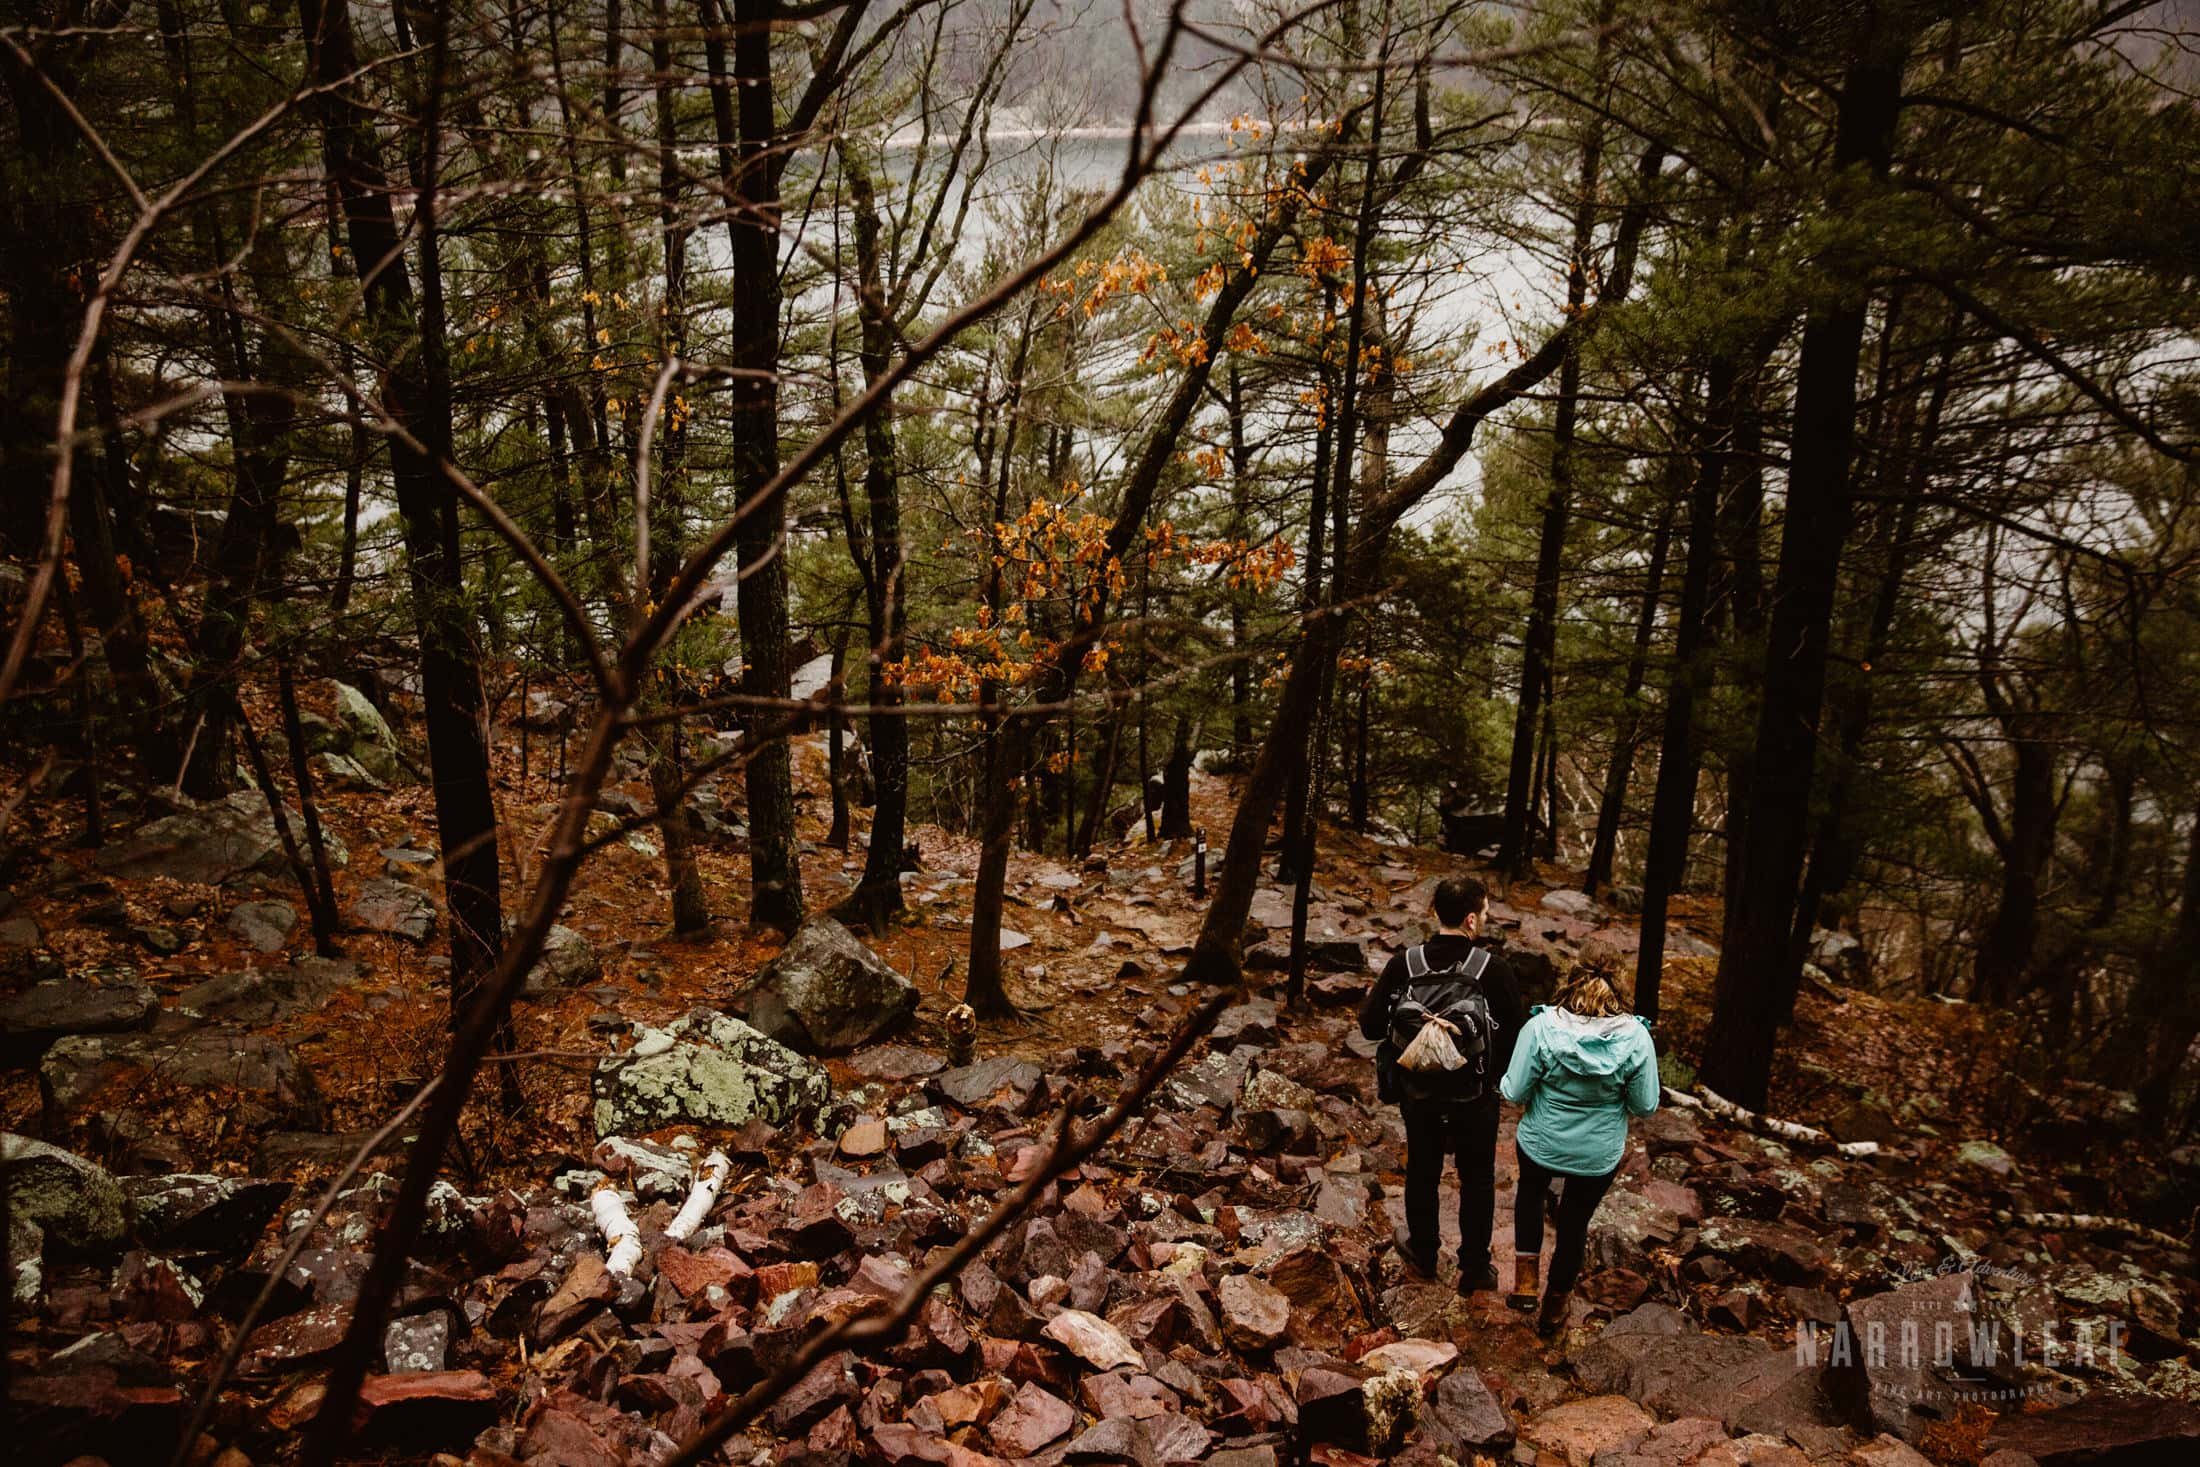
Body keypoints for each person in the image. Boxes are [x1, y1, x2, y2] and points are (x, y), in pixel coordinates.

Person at [1359, 875, 1524, 1294]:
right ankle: (1474, 1267)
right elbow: (1516, 1034)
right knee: (1478, 1178)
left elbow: (1369, 1024)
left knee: (1423, 1171)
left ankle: (1425, 1253)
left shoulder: (1405, 964)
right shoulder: (1492, 969)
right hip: (1476, 1095)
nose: (1485, 919)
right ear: (1471, 919)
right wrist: (1494, 1078)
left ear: (1437, 913)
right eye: (1485, 912)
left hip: (1419, 1091)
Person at [1498, 950, 1659, 1336]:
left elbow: (1515, 1092)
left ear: (1571, 978)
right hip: (1597, 1153)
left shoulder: (1540, 1028)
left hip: (1542, 1141)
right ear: (1619, 983)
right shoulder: (1636, 1038)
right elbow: (1645, 1105)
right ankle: (1555, 1307)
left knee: (1530, 1195)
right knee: (1574, 1221)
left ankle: (1524, 1284)